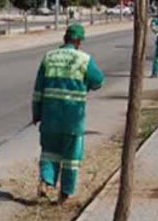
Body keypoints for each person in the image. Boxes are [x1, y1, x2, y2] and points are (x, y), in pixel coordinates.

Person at [32, 23, 103, 203]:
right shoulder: (83, 59)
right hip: (72, 118)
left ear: (65, 38)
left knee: (49, 152)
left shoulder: (49, 57)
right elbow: (98, 80)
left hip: (50, 117)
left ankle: (46, 182)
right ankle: (64, 193)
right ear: (78, 41)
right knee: (71, 158)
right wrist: (87, 84)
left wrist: (36, 113)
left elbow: (38, 90)